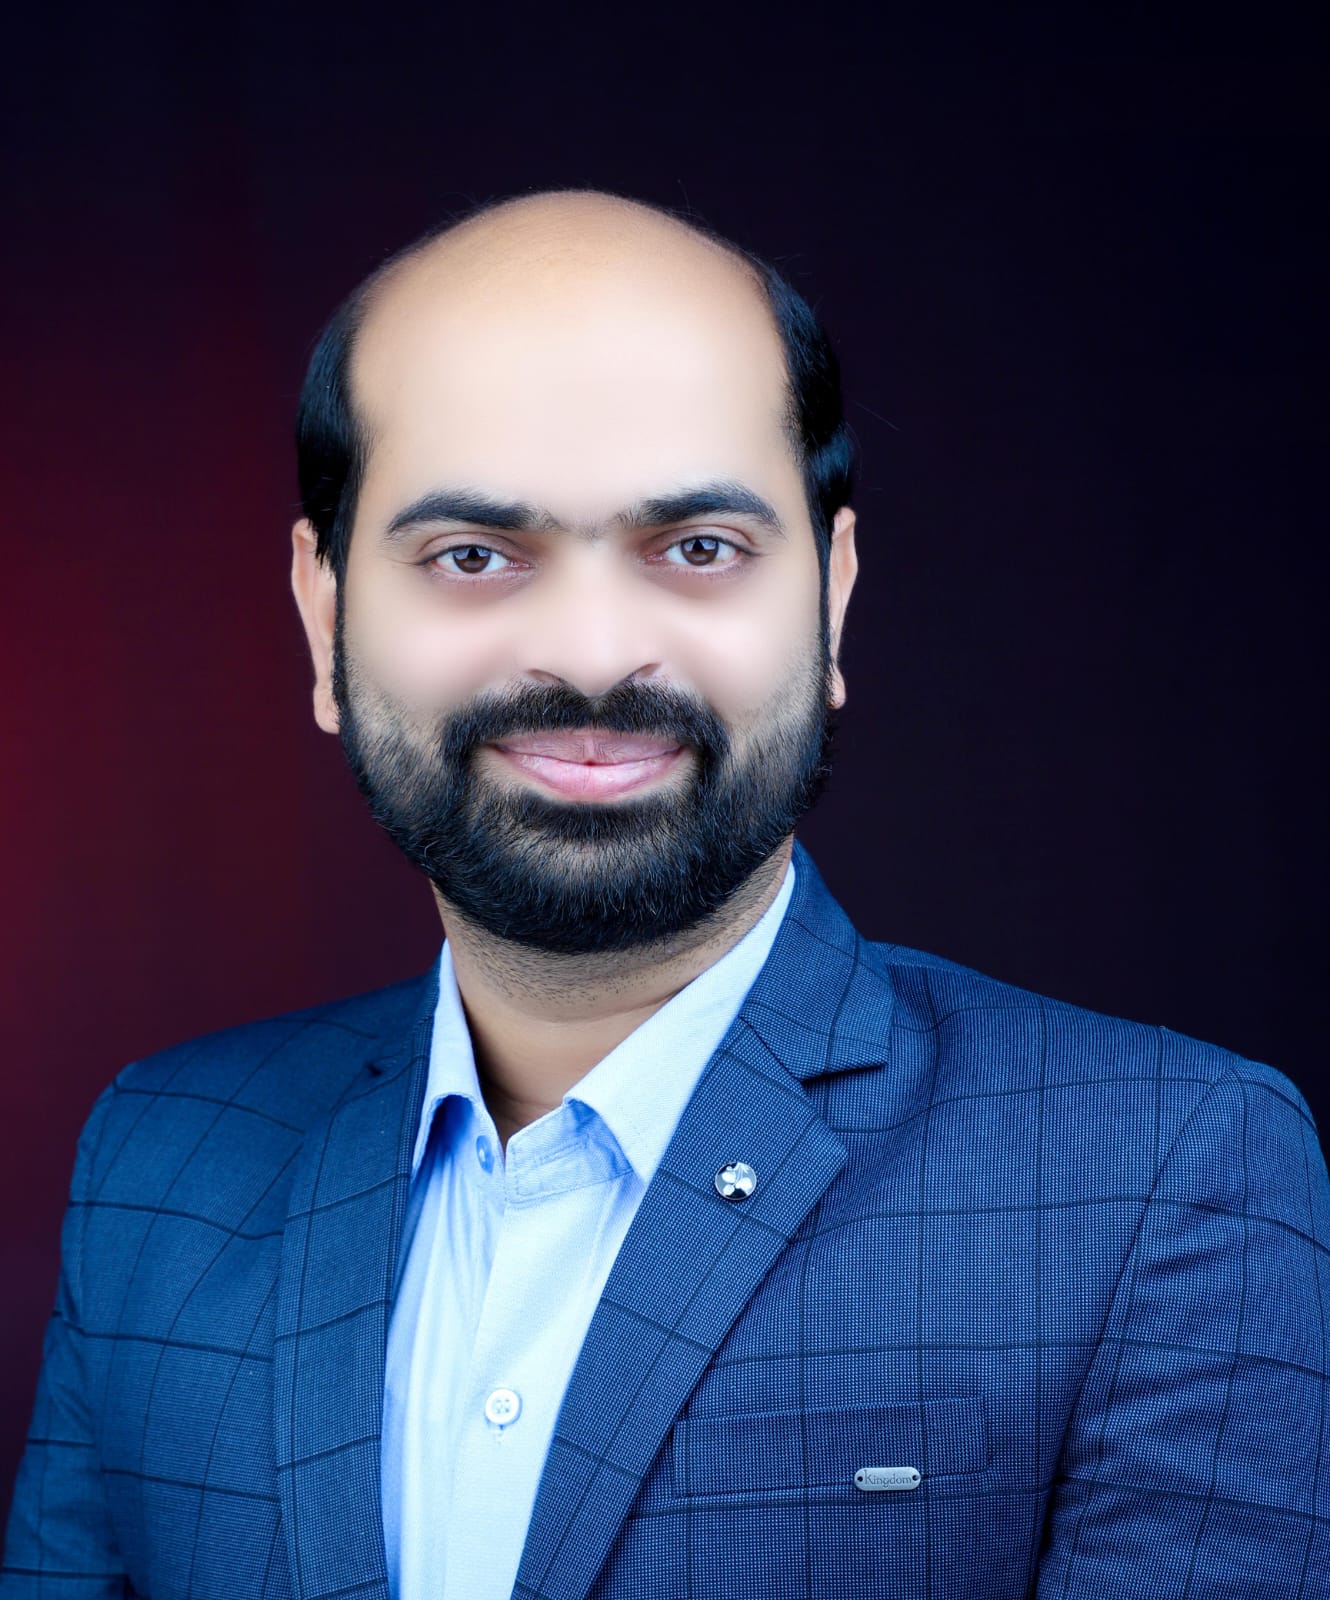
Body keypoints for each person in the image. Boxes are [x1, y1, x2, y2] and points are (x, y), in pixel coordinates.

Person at [3, 188, 1327, 1600]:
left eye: (697, 547)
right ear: (324, 614)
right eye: (471, 556)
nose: (589, 653)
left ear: (831, 597)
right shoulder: (161, 1163)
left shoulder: (1163, 1174)